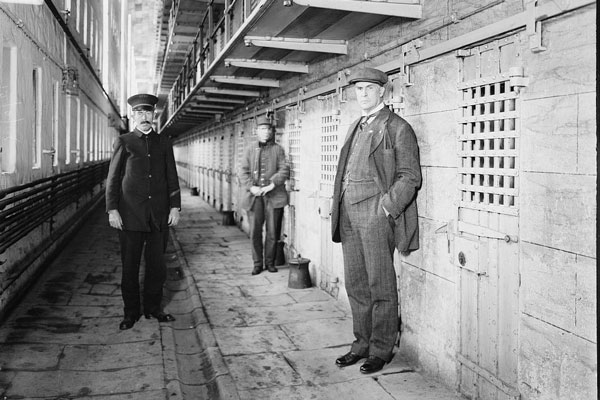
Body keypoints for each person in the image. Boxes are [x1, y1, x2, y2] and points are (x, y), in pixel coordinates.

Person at [331, 67, 421, 374]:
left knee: (380, 283)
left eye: (369, 88)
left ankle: (381, 349)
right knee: (356, 284)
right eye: (359, 89)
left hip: (374, 215)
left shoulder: (397, 126)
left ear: (382, 91)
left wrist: (386, 208)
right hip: (347, 214)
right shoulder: (355, 126)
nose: (363, 94)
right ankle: (361, 344)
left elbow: (410, 176)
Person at [105, 93, 181, 331]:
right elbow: (113, 178)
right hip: (130, 216)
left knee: (157, 266)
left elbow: (171, 176)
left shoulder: (164, 142)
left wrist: (175, 206)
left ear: (153, 115)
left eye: (148, 112)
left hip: (158, 216)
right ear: (133, 116)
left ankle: (153, 308)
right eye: (139, 113)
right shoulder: (125, 141)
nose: (144, 117)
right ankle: (130, 313)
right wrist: (112, 209)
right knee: (130, 267)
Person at [239, 116, 290, 276]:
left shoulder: (278, 149)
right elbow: (242, 172)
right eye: (262, 129)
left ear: (271, 131)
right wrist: (252, 187)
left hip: (274, 196)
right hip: (254, 197)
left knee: (273, 232)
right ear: (257, 131)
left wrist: (271, 185)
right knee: (255, 232)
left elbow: (284, 170)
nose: (266, 132)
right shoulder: (249, 149)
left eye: (268, 129)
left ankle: (270, 263)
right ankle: (257, 264)